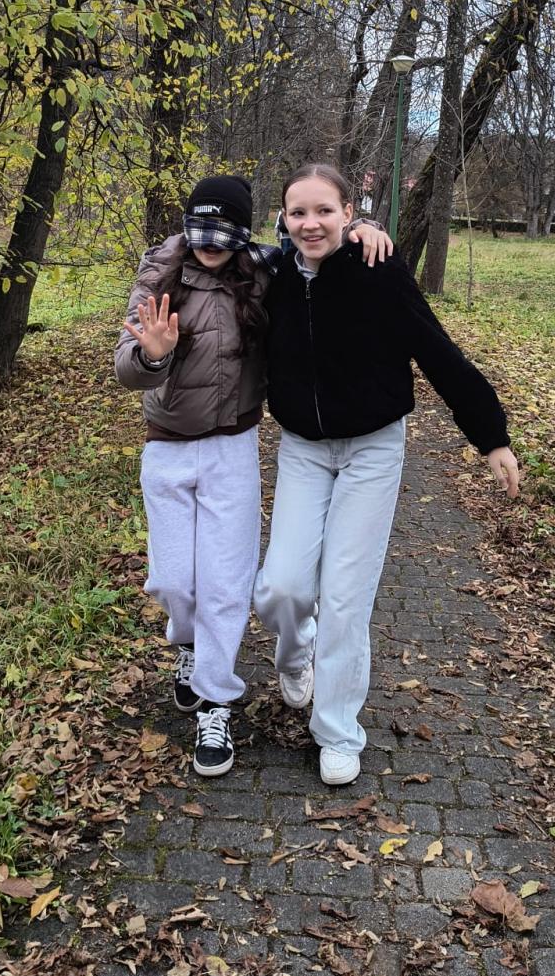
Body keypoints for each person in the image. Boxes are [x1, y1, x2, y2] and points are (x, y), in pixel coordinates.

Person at [114, 174, 391, 777]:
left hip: (233, 447)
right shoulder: (160, 270)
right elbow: (127, 367)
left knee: (225, 586)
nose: (210, 244)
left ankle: (215, 701)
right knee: (174, 583)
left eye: (224, 232)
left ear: (243, 233)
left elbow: (316, 245)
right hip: (166, 448)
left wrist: (364, 228)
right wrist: (153, 355)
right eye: (201, 230)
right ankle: (189, 646)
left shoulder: (262, 269)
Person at [253, 163, 519, 788]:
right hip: (303, 449)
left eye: (325, 210)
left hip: (372, 449)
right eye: (299, 212)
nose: (311, 223)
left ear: (349, 213)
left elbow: (437, 351)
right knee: (283, 587)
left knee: (346, 595)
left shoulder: (380, 269)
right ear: (283, 218)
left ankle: (337, 730)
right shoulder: (272, 277)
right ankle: (295, 654)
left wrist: (490, 436)